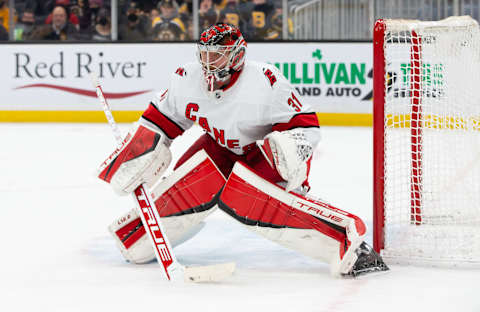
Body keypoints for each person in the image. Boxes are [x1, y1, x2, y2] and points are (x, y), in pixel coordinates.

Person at [97, 23, 389, 277]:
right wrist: (137, 154)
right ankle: (136, 239)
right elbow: (160, 121)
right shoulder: (186, 78)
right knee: (187, 182)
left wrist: (286, 155)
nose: (208, 63)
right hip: (219, 147)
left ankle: (350, 242)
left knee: (251, 200)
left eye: (217, 55)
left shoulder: (265, 81)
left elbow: (307, 127)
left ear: (237, 56)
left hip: (261, 152)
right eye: (205, 54)